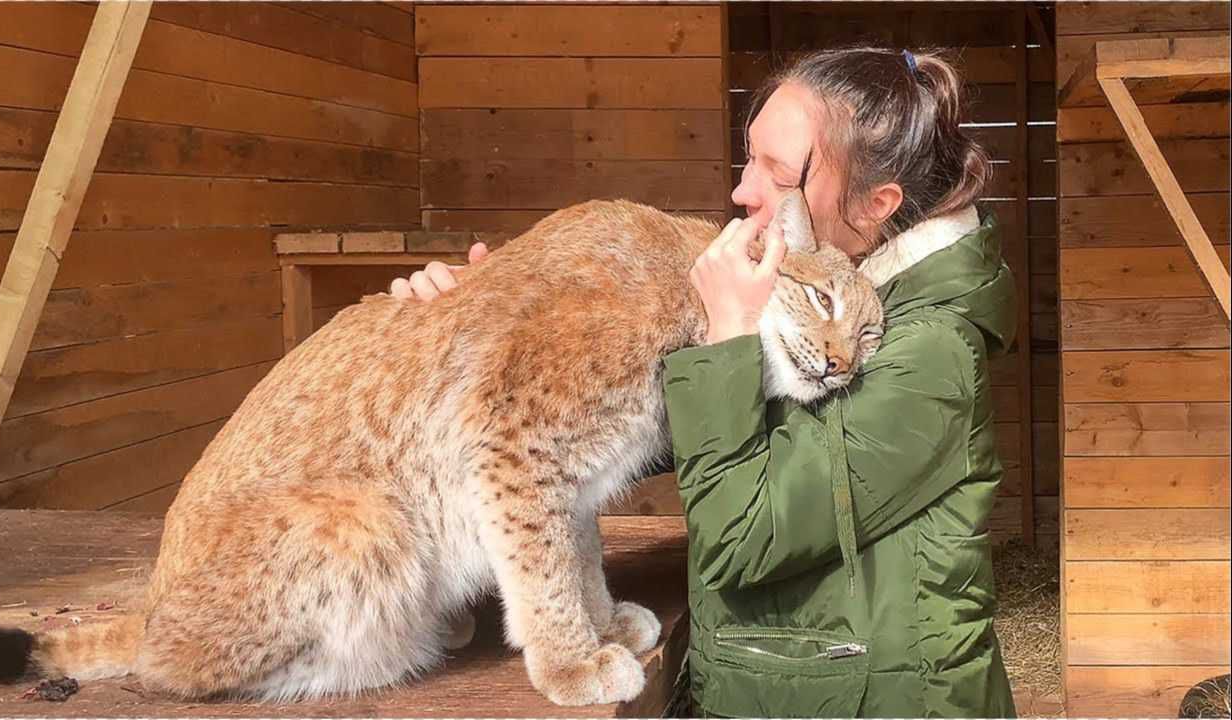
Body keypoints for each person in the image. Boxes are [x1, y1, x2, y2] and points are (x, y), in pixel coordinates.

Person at [392, 47, 1017, 718]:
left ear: (875, 204)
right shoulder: (828, 289)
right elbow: (657, 437)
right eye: (749, 158)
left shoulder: (930, 351)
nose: (743, 191)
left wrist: (727, 340)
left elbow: (744, 540)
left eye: (777, 172)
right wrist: (492, 335)